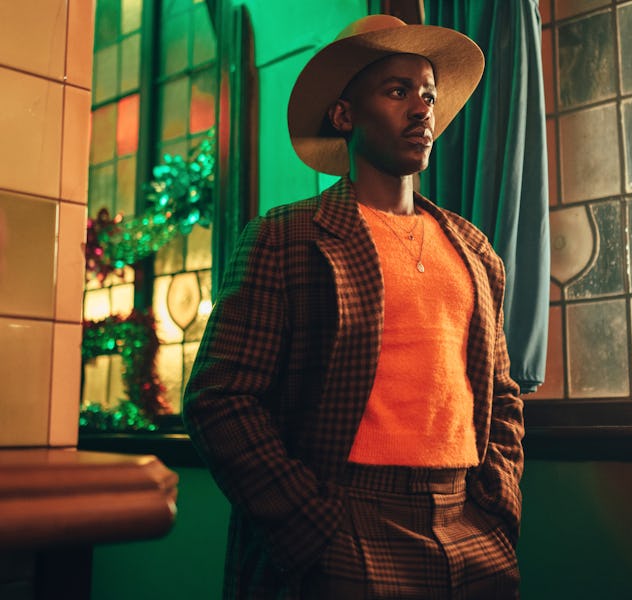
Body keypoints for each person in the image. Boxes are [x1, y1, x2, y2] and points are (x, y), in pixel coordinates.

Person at [184, 14, 524, 599]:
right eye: (397, 92)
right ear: (344, 116)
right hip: (345, 522)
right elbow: (219, 398)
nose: (422, 110)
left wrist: (495, 504)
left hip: (470, 525)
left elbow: (503, 393)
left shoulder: (474, 250)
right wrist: (310, 526)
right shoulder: (286, 236)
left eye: (428, 95)